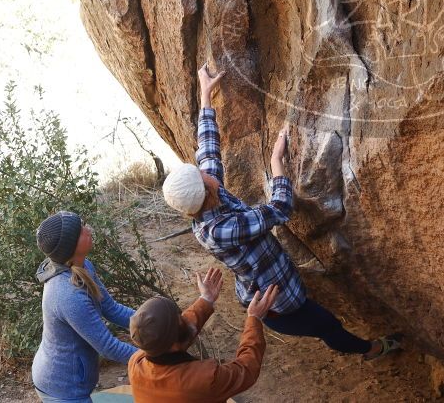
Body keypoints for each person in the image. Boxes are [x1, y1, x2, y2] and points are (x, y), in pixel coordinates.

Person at [161, 62, 401, 361]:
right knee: (328, 326)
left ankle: (367, 346)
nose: (205, 170)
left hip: (275, 280)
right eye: (202, 175)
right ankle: (373, 349)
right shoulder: (217, 231)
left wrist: (206, 96)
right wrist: (277, 161)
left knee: (322, 319)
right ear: (206, 192)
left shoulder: (205, 198)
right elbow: (279, 209)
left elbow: (207, 148)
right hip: (276, 302)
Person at [32, 211, 138, 403]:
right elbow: (108, 346)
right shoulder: (67, 295)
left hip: (71, 377)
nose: (88, 230)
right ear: (71, 247)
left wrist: (151, 323)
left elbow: (112, 309)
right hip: (62, 389)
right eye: (81, 231)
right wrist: (155, 356)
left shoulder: (84, 266)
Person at [128, 268, 278, 402]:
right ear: (174, 343)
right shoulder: (203, 380)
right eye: (180, 318)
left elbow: (180, 333)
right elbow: (246, 369)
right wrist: (254, 318)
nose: (184, 317)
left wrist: (206, 299)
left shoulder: (136, 362)